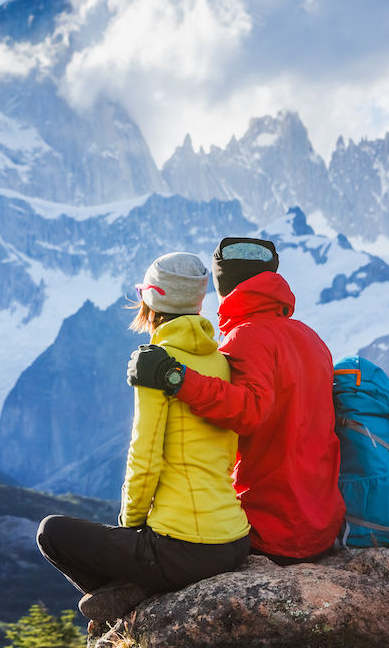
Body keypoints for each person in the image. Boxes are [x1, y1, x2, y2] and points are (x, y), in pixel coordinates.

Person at [36, 252, 251, 624]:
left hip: (185, 548)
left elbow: (144, 456)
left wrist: (131, 523)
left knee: (51, 532)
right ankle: (131, 587)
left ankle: (132, 595)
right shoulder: (222, 361)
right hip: (234, 539)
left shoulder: (156, 363)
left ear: (151, 298)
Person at [128, 237, 345, 564]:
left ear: (223, 285)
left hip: (272, 529)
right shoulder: (311, 338)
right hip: (321, 527)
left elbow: (249, 412)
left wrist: (175, 377)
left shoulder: (247, 336)